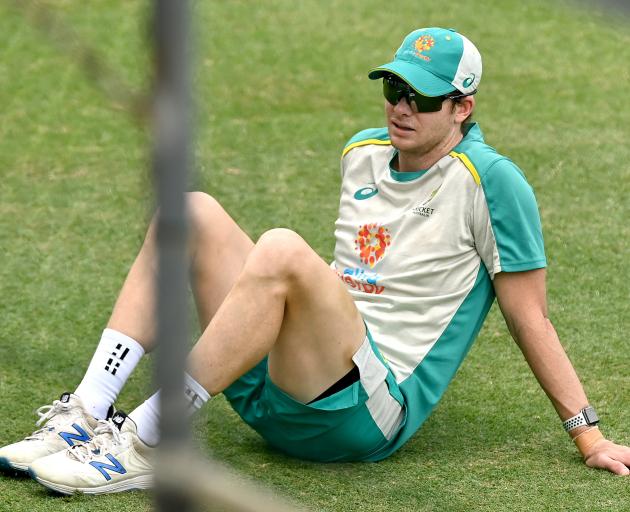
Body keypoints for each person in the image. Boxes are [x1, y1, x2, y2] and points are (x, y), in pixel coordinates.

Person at [1, 27, 628, 495]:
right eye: (394, 88)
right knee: (186, 211)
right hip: (286, 385)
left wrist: (588, 433)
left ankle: (150, 437)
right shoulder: (361, 152)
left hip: (364, 416)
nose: (401, 107)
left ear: (462, 107)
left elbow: (530, 318)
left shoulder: (492, 183)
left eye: (423, 98)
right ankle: (86, 412)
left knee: (280, 248)